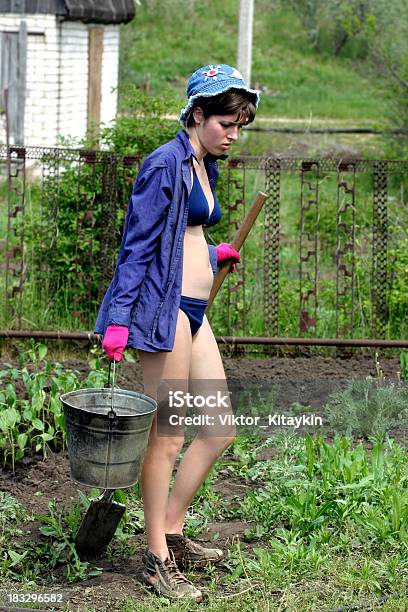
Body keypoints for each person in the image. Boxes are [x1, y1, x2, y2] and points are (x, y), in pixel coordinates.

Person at [95, 63, 259, 601]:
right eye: (227, 123)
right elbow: (138, 247)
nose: (234, 134)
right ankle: (155, 560)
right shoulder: (163, 165)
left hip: (194, 309)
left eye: (241, 125)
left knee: (217, 430)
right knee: (168, 435)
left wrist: (215, 254)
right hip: (160, 314)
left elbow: (182, 235)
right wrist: (118, 320)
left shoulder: (204, 164)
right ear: (197, 114)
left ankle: (171, 528)